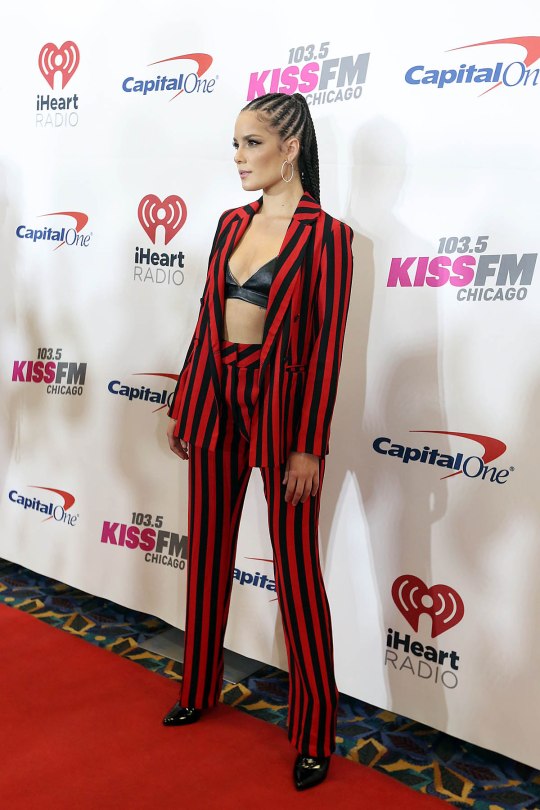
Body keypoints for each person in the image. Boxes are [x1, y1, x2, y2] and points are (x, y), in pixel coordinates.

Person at [164, 91, 354, 791]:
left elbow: (326, 349)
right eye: (236, 145)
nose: (240, 159)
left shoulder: (329, 237)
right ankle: (197, 688)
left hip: (282, 414)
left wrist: (308, 446)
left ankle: (314, 733)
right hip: (216, 398)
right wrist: (185, 401)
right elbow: (206, 319)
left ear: (290, 147)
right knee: (209, 552)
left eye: (252, 143)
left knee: (296, 571)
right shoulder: (230, 223)